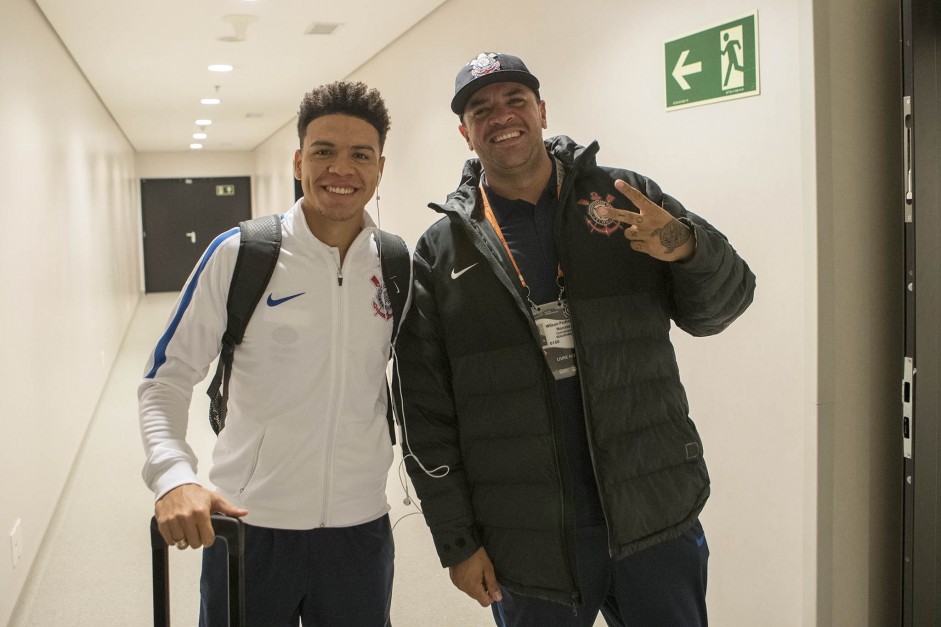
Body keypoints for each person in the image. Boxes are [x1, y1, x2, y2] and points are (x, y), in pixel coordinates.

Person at [394, 52, 756, 627]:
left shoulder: (624, 197)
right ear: (465, 133)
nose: (502, 116)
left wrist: (688, 247)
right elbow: (423, 412)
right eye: (481, 109)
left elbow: (722, 307)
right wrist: (457, 541)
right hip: (527, 536)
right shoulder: (442, 251)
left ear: (541, 110)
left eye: (516, 100)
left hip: (652, 512)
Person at [140, 81, 398, 627]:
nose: (341, 169)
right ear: (300, 160)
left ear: (380, 167)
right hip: (251, 527)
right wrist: (173, 475)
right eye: (324, 151)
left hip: (361, 530)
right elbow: (167, 377)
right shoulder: (242, 253)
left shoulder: (395, 264)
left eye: (360, 154)